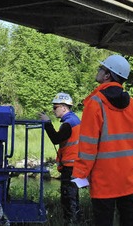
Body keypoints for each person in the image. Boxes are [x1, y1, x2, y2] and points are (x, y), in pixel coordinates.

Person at [72, 55, 133, 226]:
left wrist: (80, 175)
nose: (98, 71)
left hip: (103, 180)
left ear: (107, 76)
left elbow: (88, 146)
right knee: (130, 220)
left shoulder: (95, 103)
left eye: (101, 68)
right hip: (128, 179)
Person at [39, 92, 81, 223]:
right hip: (74, 165)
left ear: (64, 107)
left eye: (55, 107)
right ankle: (75, 220)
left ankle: (71, 222)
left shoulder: (69, 123)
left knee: (68, 198)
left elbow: (56, 139)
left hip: (70, 167)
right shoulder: (74, 120)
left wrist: (47, 123)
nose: (53, 110)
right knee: (72, 198)